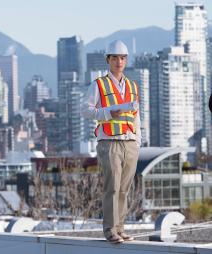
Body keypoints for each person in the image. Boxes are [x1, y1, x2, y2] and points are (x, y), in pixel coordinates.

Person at [84, 40, 141, 243]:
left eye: (123, 58)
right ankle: (110, 230)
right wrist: (108, 112)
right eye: (115, 58)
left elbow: (136, 117)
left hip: (129, 142)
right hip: (109, 142)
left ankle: (120, 228)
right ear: (108, 60)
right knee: (113, 187)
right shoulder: (99, 84)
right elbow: (85, 110)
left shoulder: (132, 86)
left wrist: (138, 142)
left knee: (125, 188)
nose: (119, 61)